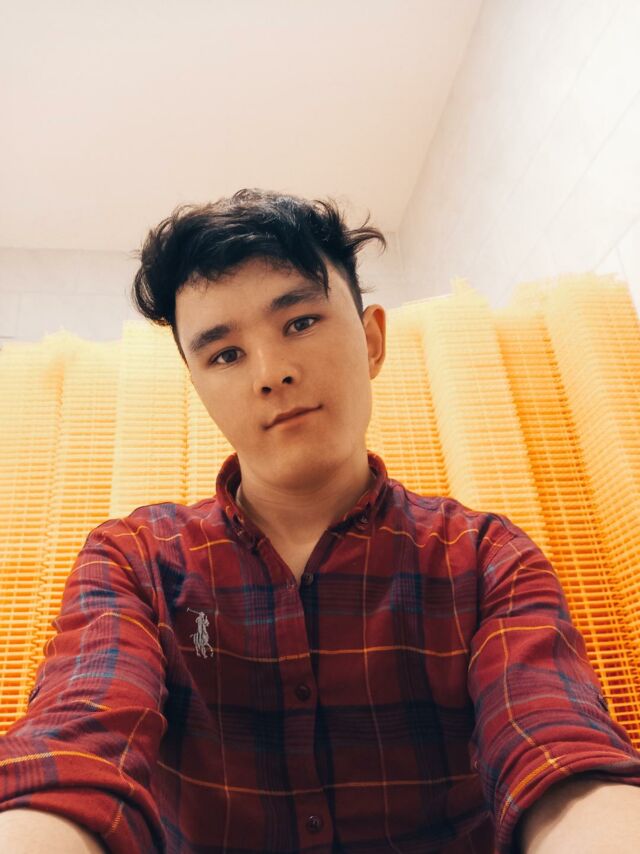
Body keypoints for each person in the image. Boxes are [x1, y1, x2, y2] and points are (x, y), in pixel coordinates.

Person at [0, 188, 639, 853]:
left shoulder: (485, 558)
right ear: (200, 391)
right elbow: (75, 747)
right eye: (225, 355)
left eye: (300, 321)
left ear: (372, 340)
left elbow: (559, 748)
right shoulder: (136, 561)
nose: (272, 373)